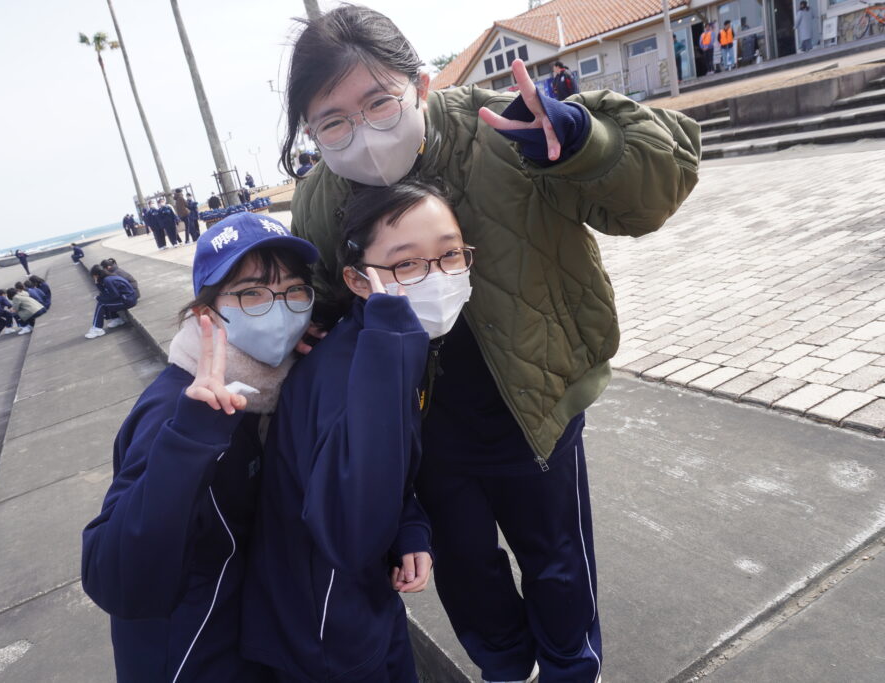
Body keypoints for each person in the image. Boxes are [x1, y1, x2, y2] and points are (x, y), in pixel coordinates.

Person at [280, 6, 700, 681]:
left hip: (535, 406)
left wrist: (583, 144)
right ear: (311, 130)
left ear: (420, 84)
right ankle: (505, 669)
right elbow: (328, 297)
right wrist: (303, 326)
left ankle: (571, 667)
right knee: (467, 573)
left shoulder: (505, 127)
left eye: (379, 102)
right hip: (423, 434)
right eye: (333, 121)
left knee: (558, 562)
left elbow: (659, 184)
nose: (362, 133)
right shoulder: (318, 200)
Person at [81, 213, 318, 682]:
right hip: (193, 655)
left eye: (294, 290)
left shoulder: (272, 389)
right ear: (206, 312)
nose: (280, 309)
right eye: (251, 293)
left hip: (256, 640)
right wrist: (191, 439)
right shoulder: (171, 411)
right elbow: (114, 577)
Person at [241, 182, 443, 682]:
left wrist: (410, 530)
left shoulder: (385, 343)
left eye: (450, 254)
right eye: (406, 263)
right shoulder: (360, 363)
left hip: (363, 602)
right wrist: (393, 342)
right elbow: (350, 535)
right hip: (327, 631)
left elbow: (387, 465)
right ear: (356, 279)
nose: (435, 275)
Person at [84, 264, 138, 339]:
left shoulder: (108, 280)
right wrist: (97, 283)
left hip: (128, 300)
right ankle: (116, 319)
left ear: (96, 275)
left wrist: (99, 298)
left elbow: (114, 295)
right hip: (127, 298)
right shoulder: (108, 278)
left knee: (102, 304)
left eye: (93, 276)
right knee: (104, 301)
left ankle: (97, 329)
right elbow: (105, 293)